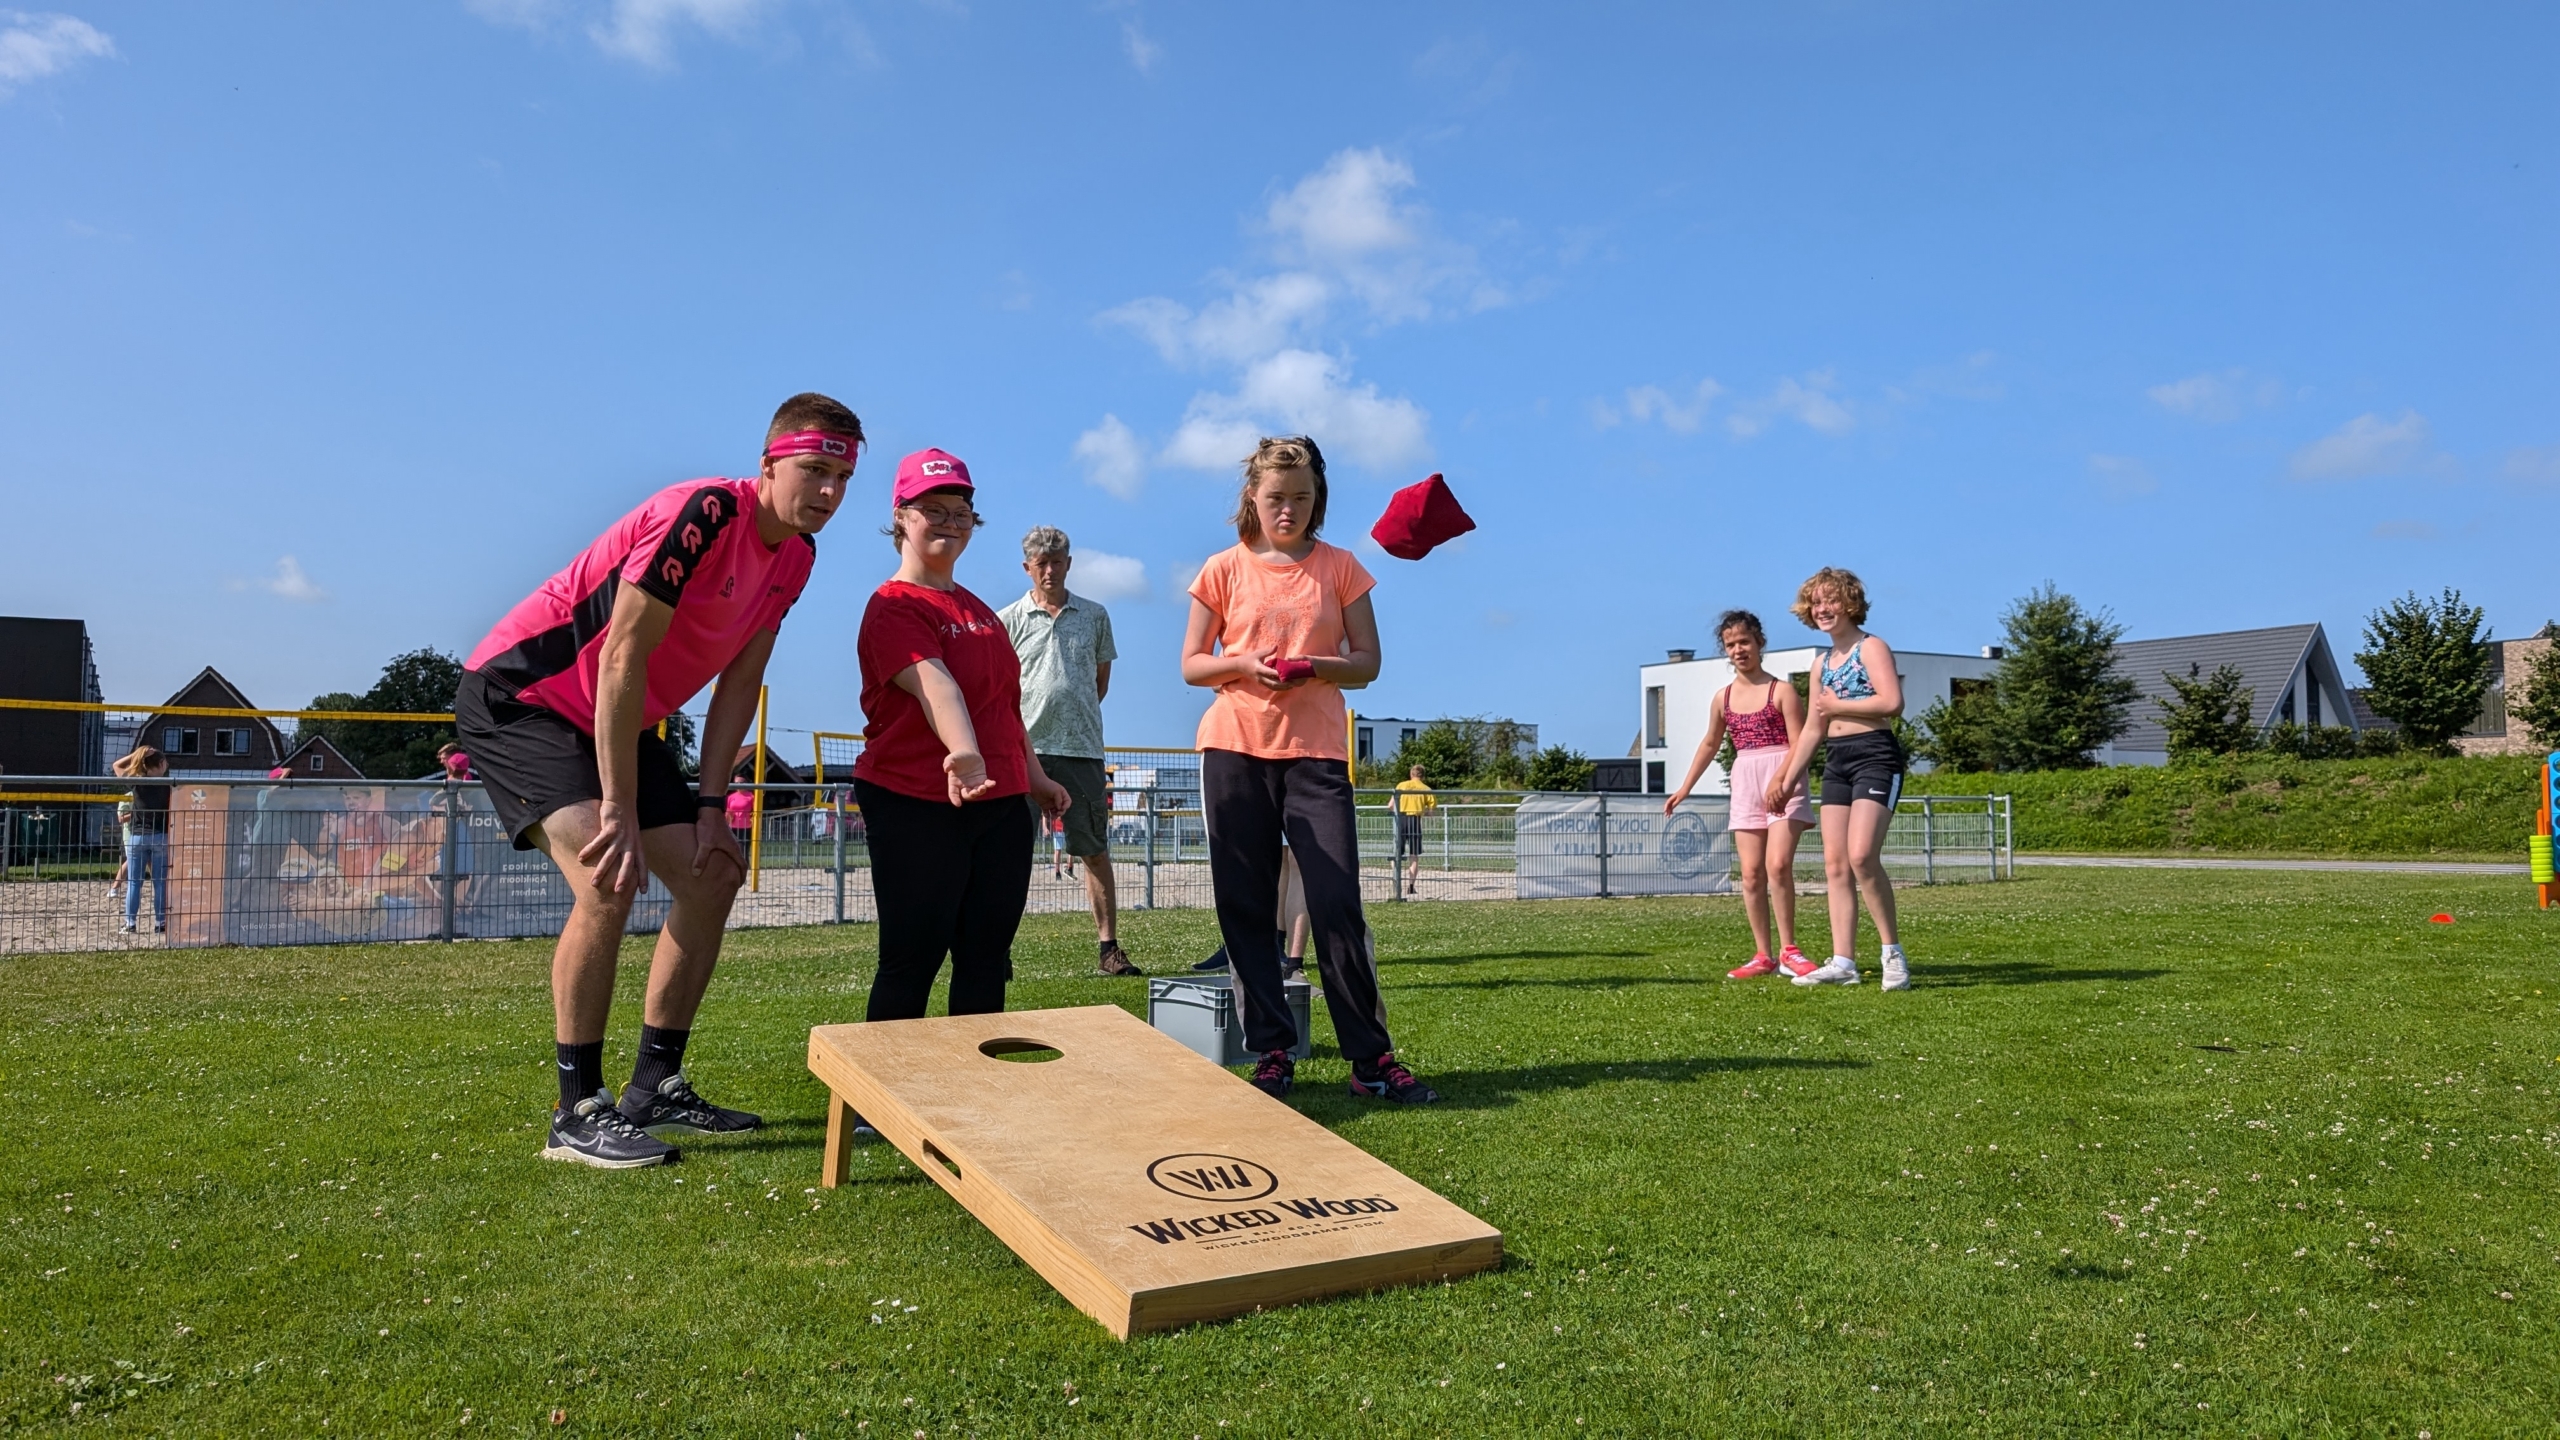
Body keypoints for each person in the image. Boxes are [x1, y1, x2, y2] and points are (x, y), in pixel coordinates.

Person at [454, 392, 857, 1168]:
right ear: (769, 464)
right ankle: (576, 1114)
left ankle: (655, 1088)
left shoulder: (798, 558)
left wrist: (713, 808)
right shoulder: (704, 513)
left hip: (621, 715)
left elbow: (742, 683)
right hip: (527, 698)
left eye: (842, 479)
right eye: (813, 471)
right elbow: (621, 657)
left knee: (713, 875)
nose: (829, 493)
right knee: (609, 877)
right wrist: (618, 805)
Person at [1181, 435, 1440, 1104]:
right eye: (1275, 499)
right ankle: (1271, 1050)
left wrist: (1314, 666)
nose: (1288, 511)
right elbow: (1192, 664)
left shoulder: (1342, 567)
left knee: (1335, 902)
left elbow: (1367, 661)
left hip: (1317, 752)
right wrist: (1242, 664)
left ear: (1318, 498)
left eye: (1301, 498)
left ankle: (1370, 1060)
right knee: (1245, 905)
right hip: (1233, 747)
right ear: (1252, 497)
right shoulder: (1221, 569)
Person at [853, 449, 1070, 1032]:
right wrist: (964, 752)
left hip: (999, 802)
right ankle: (884, 1099)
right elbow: (936, 686)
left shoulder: (980, 611)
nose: (949, 522)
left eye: (961, 511)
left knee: (986, 957)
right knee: (912, 956)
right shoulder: (892, 605)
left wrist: (1038, 778)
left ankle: (973, 1096)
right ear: (901, 515)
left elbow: (1003, 706)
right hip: (915, 800)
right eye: (933, 509)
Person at [996, 526, 1138, 976]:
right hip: (1022, 750)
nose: (1050, 570)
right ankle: (995, 952)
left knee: (1093, 850)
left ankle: (1109, 950)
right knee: (1006, 855)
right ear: (1027, 568)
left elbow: (1100, 684)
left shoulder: (1095, 615)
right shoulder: (1008, 619)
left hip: (1081, 751)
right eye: (1042, 563)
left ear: (1069, 564)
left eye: (1057, 562)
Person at [1770, 567, 1911, 991]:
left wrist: (1838, 707)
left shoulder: (1872, 648)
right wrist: (1787, 778)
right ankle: (1844, 962)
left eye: (1831, 600)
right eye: (1816, 603)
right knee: (1834, 864)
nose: (1823, 609)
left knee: (1862, 856)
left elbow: (1892, 702)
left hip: (1875, 756)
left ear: (1849, 603)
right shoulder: (1820, 664)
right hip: (1837, 760)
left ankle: (1893, 954)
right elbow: (1813, 727)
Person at [1664, 609, 1815, 978]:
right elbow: (1710, 742)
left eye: (1744, 642)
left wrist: (1781, 780)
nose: (1738, 650)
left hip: (1784, 777)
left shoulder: (1783, 691)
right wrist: (1685, 787)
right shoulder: (1723, 698)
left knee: (1777, 865)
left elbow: (1800, 742)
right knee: (1750, 873)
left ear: (1759, 642)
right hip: (1746, 781)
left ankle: (1790, 950)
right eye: (1731, 645)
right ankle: (1763, 955)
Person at [114, 747, 170, 934]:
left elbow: (117, 765)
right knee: (160, 882)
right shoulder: (169, 785)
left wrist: (138, 754)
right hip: (160, 836)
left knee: (134, 883)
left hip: (137, 836)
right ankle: (160, 923)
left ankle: (130, 924)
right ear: (161, 764)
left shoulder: (137, 782)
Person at [1392, 764, 1435, 895]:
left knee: (1396, 853)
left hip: (1401, 819)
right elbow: (1431, 811)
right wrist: (1426, 812)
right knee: (1414, 855)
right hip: (1415, 820)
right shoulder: (1426, 789)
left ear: (1411, 774)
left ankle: (1396, 881)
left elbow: (1390, 805)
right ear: (1423, 776)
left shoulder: (1401, 785)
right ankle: (1411, 886)